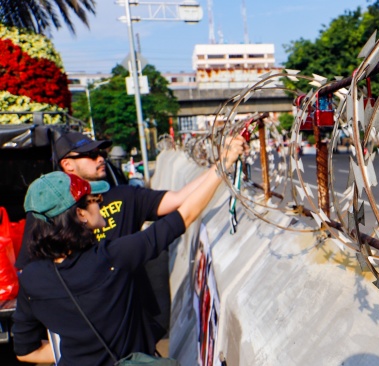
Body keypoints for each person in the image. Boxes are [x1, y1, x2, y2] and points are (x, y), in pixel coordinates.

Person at [12, 138, 244, 365]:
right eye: (93, 199)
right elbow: (185, 215)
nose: (99, 201)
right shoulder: (111, 258)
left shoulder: (32, 279)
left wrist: (78, 354)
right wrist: (226, 162)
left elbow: (26, 352)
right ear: (80, 215)